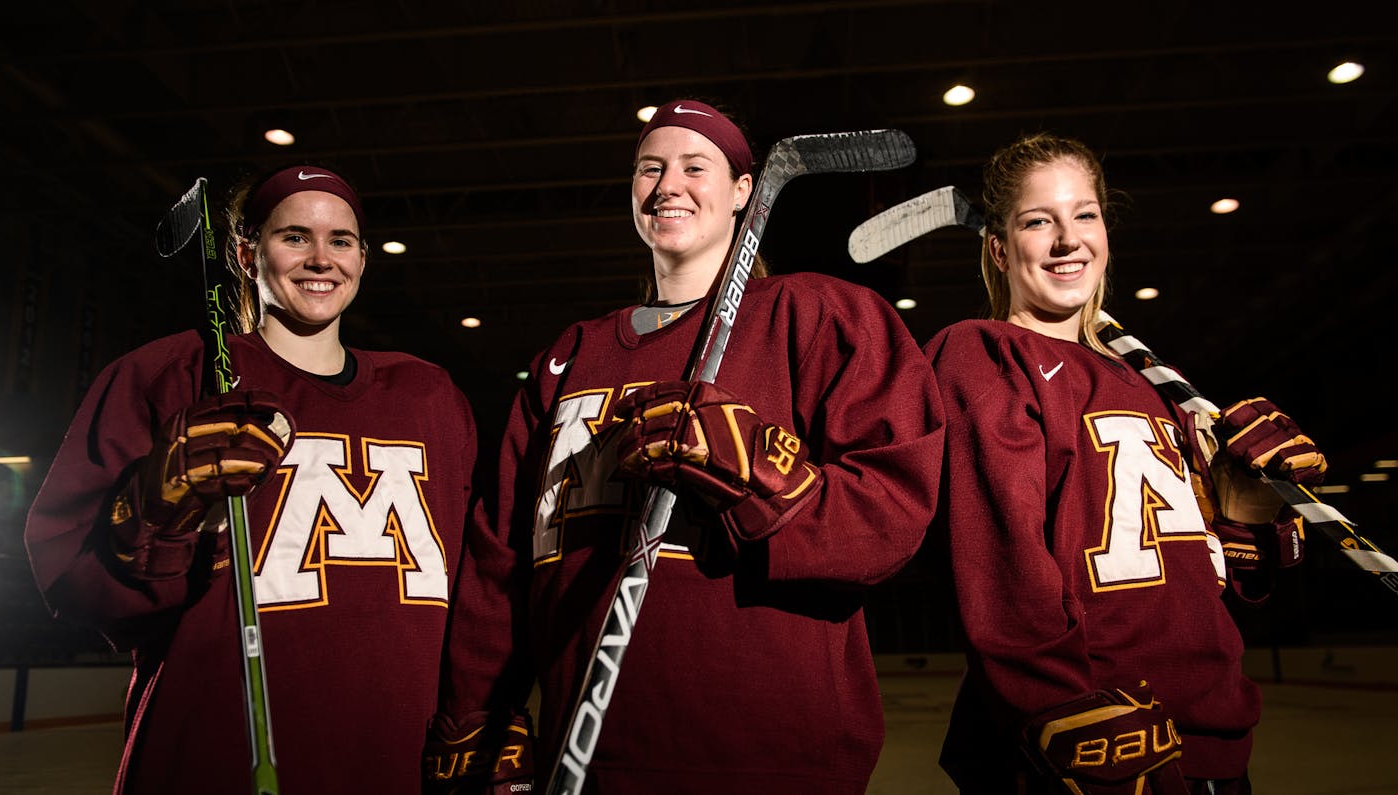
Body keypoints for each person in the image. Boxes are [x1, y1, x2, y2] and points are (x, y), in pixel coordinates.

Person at [422, 98, 946, 794]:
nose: (668, 185)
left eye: (695, 166)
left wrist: (761, 467)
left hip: (776, 761)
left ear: (742, 193)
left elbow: (892, 514)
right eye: (650, 168)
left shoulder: (816, 316)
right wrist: (478, 715)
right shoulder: (567, 358)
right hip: (588, 759)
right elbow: (501, 560)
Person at [24, 164, 479, 794]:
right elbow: (75, 582)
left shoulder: (428, 396)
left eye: (340, 241)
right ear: (245, 254)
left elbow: (475, 582)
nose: (321, 259)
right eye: (295, 237)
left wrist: (482, 711)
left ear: (363, 259)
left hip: (392, 760)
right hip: (214, 757)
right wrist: (154, 513)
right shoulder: (168, 375)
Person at [921, 132, 1327, 794]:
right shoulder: (985, 354)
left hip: (1214, 740)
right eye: (1037, 220)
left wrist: (1251, 512)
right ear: (997, 248)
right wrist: (1059, 710)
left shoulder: (1153, 388)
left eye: (1085, 214)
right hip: (1094, 740)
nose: (1067, 239)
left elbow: (1204, 582)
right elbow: (1002, 565)